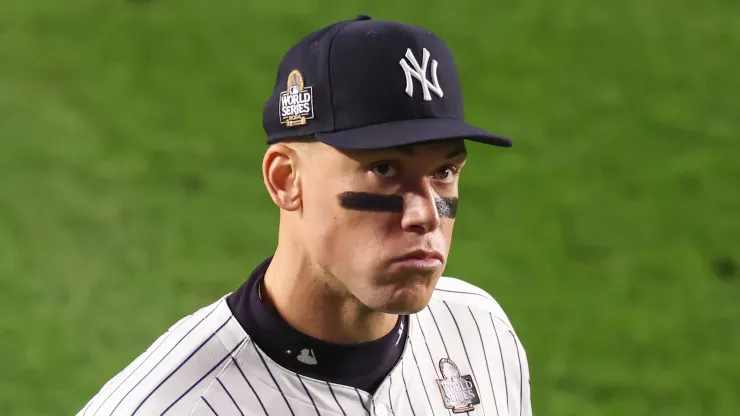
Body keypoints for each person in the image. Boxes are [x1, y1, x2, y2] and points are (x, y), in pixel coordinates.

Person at [77, 14, 532, 416]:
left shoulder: (480, 330)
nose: (424, 215)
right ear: (285, 181)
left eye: (444, 171)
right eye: (384, 168)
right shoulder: (168, 404)